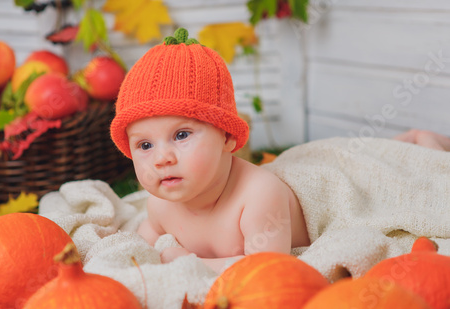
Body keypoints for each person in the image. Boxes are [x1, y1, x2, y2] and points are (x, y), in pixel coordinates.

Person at [110, 28, 450, 273]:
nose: (162, 157)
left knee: (382, 172)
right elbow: (146, 242)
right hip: (300, 167)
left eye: (181, 134)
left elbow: (270, 265)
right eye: (144, 145)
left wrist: (191, 263)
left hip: (325, 184)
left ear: (228, 137)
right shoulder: (159, 206)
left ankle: (418, 142)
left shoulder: (257, 196)